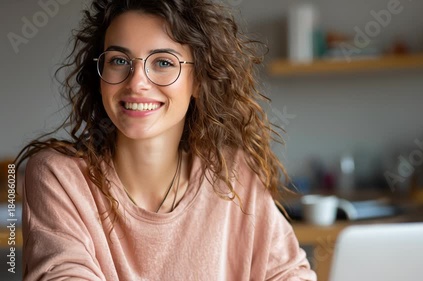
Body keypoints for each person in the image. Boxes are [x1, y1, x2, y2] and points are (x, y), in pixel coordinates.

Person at [16, 0, 317, 280]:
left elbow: (291, 273)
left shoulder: (234, 173)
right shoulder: (59, 178)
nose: (136, 83)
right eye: (119, 60)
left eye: (163, 62)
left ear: (198, 80)